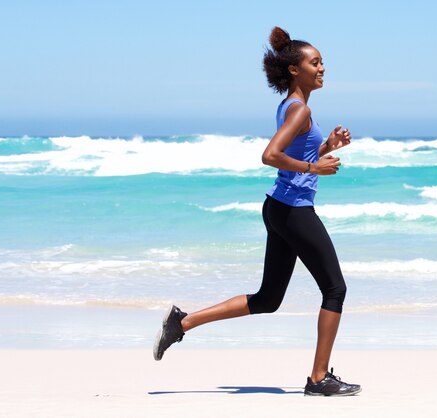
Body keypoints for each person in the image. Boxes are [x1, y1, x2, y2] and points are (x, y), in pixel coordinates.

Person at [153, 26, 361, 397]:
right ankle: (318, 378)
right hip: (293, 211)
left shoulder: (290, 107)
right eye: (315, 62)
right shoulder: (300, 110)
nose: (322, 68)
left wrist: (327, 145)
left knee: (267, 299)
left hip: (280, 207)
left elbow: (292, 154)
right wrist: (316, 168)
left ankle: (182, 324)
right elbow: (270, 155)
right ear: (295, 70)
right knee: (335, 288)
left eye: (322, 62)